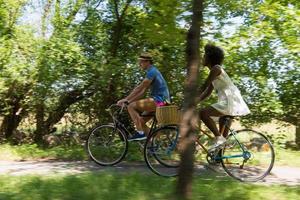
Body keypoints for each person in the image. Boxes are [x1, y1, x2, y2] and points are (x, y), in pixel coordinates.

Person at [197, 44, 250, 152]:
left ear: (209, 58)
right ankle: (219, 156)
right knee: (222, 138)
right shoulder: (214, 71)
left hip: (230, 101)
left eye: (204, 56)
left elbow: (204, 86)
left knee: (203, 113)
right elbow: (207, 92)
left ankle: (218, 138)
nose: (202, 58)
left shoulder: (216, 69)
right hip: (229, 101)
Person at [117, 53, 170, 141]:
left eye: (141, 62)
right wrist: (128, 101)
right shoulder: (151, 72)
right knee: (141, 122)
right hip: (160, 101)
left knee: (131, 106)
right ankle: (154, 140)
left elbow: (139, 88)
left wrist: (126, 99)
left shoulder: (152, 72)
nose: (139, 64)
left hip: (161, 101)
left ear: (147, 62)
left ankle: (140, 133)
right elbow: (141, 92)